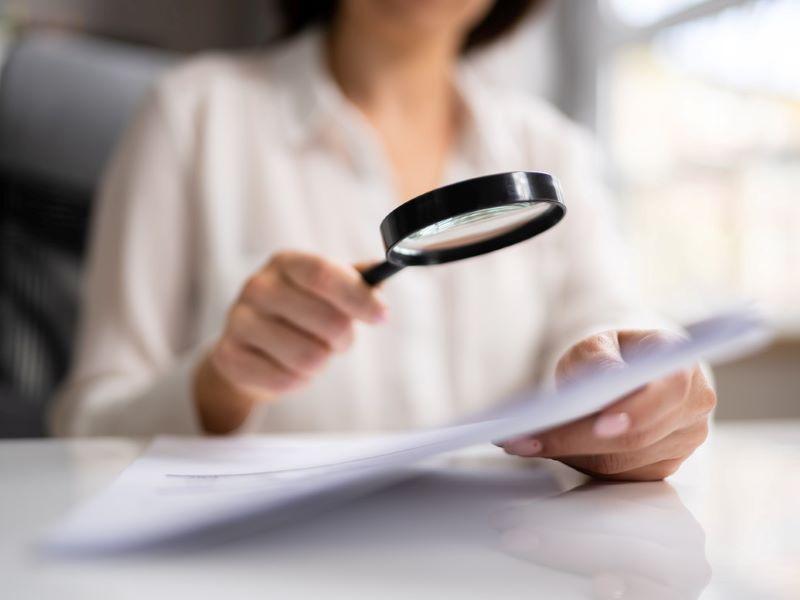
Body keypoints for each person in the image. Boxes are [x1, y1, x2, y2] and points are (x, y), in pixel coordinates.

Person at [50, 0, 716, 481]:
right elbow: (85, 430)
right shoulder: (191, 114)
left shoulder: (554, 152)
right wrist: (221, 383)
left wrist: (647, 398)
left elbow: (613, 329)